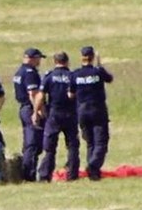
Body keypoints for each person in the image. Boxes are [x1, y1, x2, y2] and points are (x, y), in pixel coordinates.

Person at [35, 51, 80, 181]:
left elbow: (41, 95)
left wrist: (36, 111)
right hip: (70, 114)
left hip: (54, 115)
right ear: (67, 62)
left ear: (55, 62)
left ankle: (45, 175)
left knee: (49, 148)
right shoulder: (72, 76)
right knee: (72, 146)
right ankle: (72, 175)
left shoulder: (49, 76)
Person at [73, 45, 114, 180]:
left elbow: (71, 93)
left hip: (82, 110)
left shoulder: (76, 74)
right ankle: (93, 165)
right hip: (97, 109)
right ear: (92, 57)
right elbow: (110, 79)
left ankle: (93, 173)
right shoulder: (98, 72)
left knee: (90, 142)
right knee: (101, 142)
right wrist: (100, 66)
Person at [12, 47, 45, 181]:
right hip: (30, 109)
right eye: (38, 58)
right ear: (32, 58)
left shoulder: (19, 71)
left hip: (24, 108)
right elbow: (33, 93)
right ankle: (28, 174)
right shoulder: (30, 72)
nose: (39, 61)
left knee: (28, 142)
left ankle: (27, 171)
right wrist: (38, 111)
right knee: (33, 142)